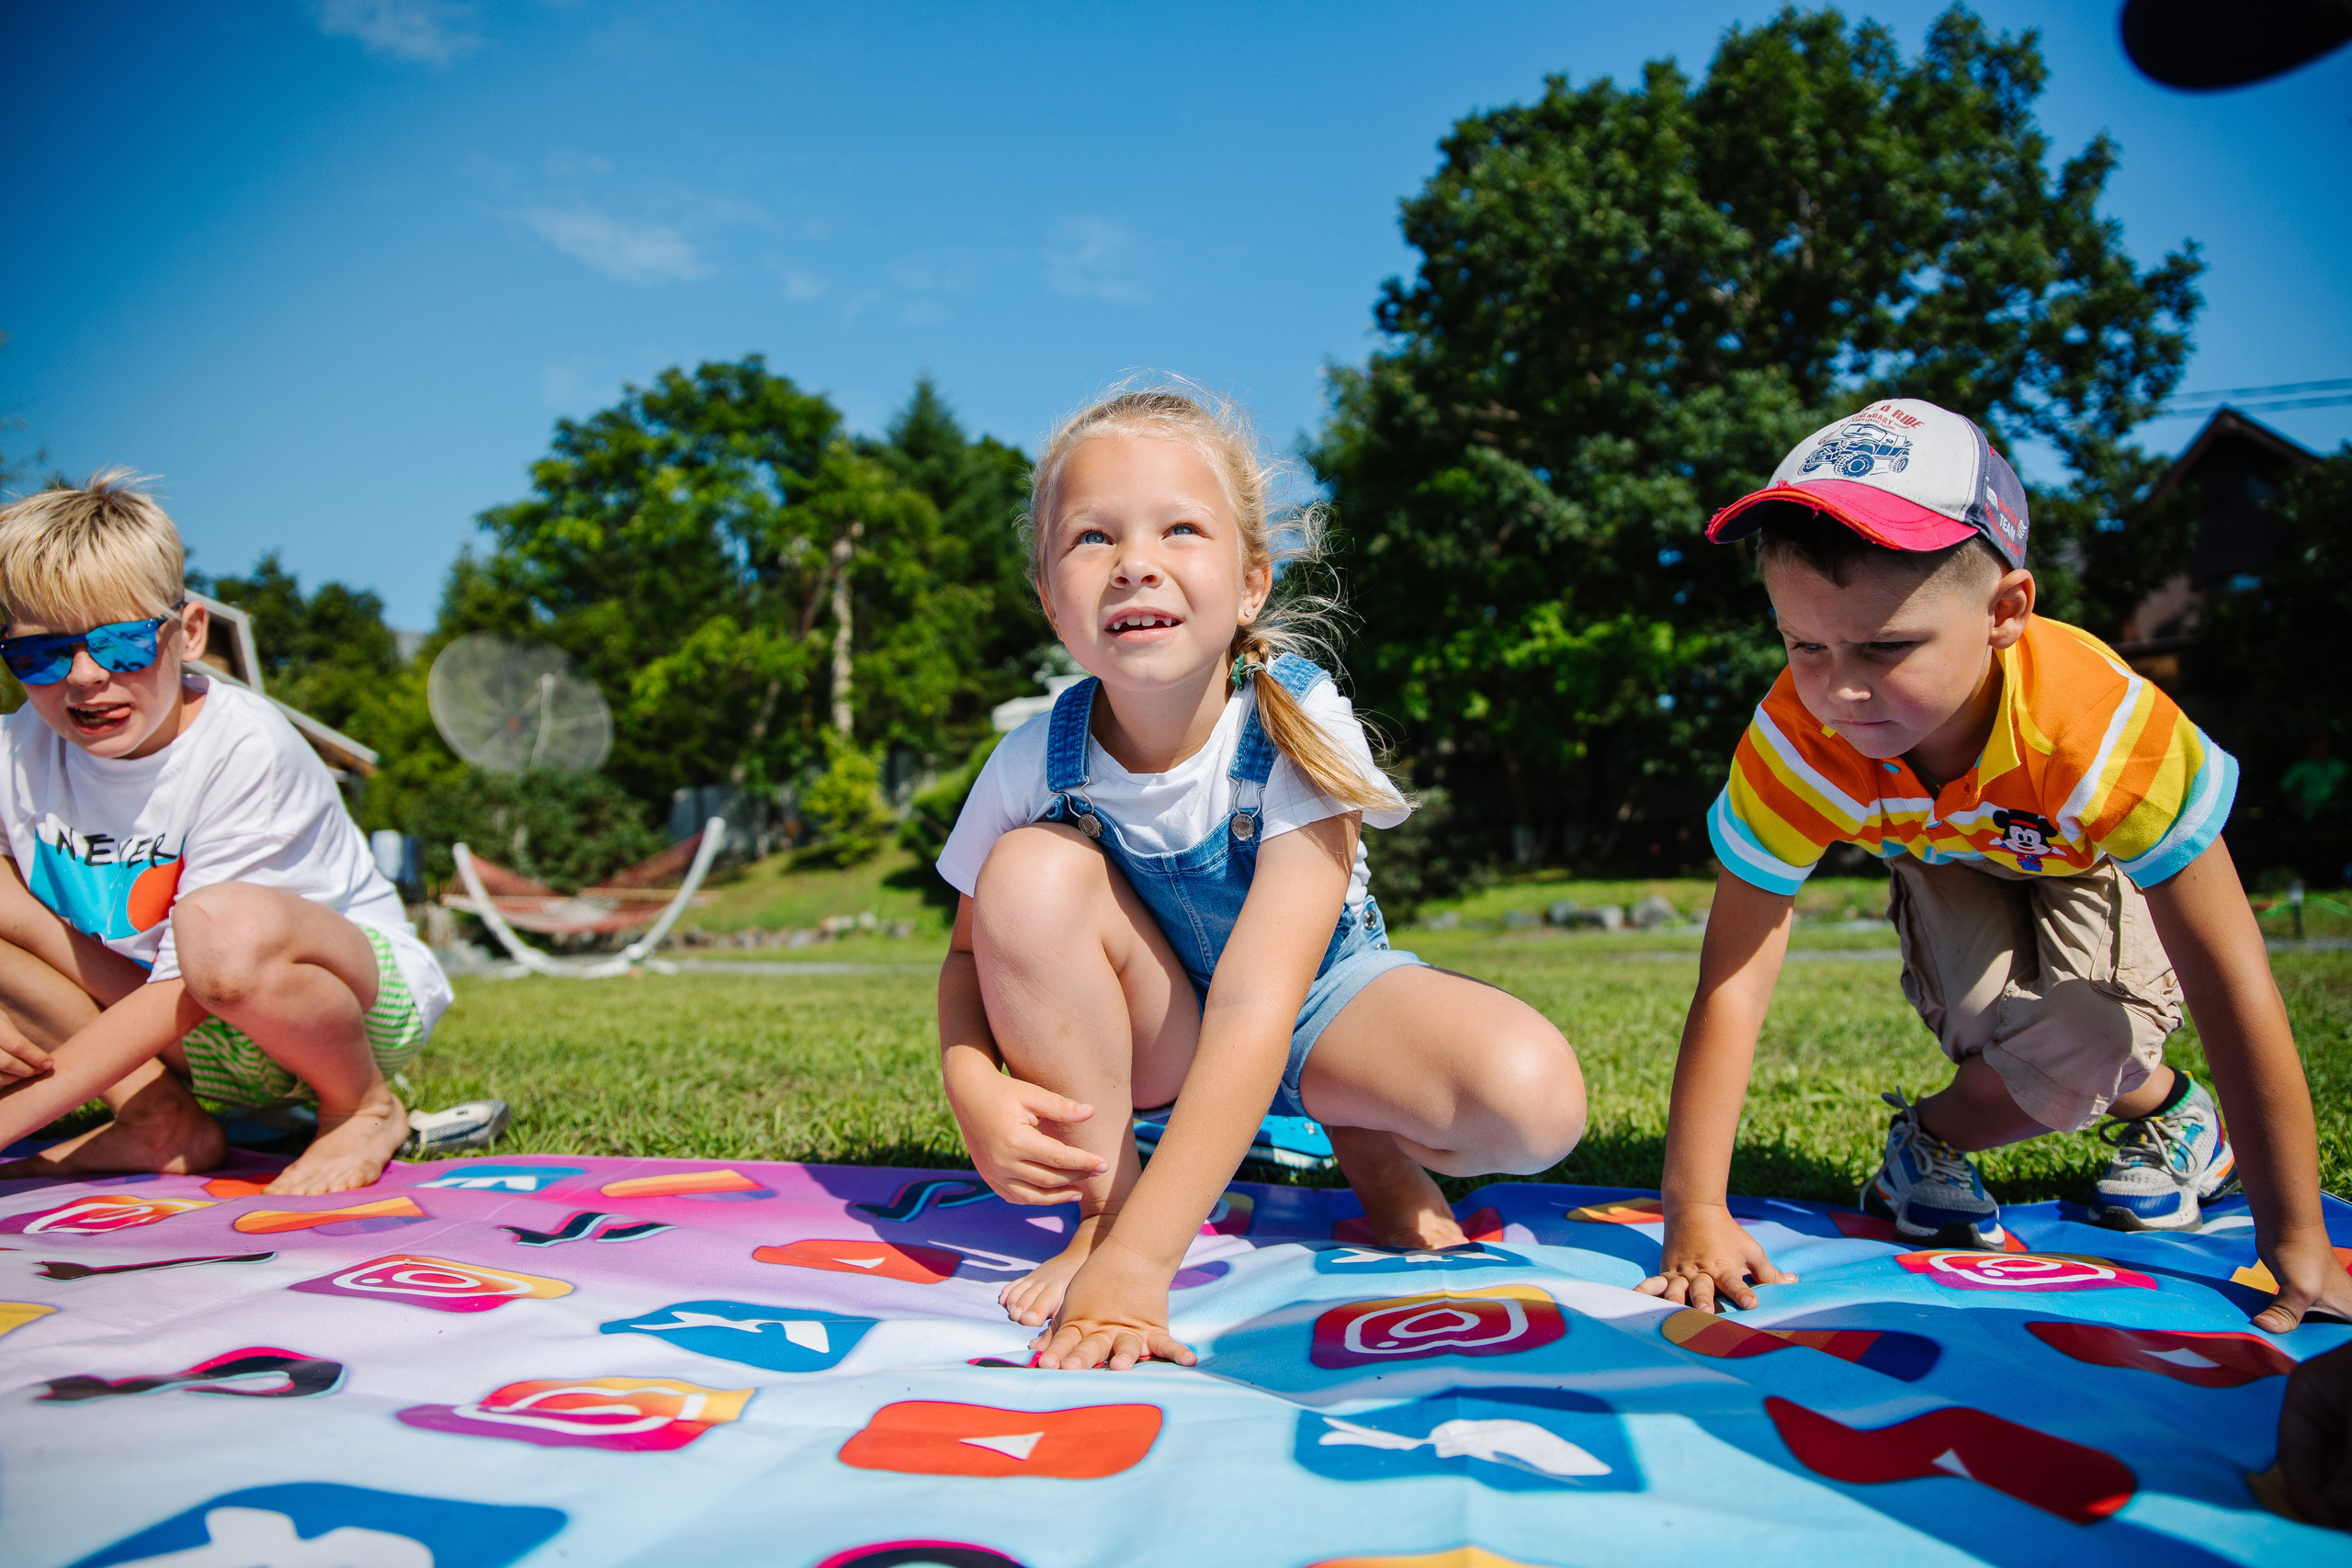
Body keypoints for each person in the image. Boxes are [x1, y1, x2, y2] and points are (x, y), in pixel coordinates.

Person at [1636, 399, 2352, 1334]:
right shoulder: (1798, 739)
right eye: (1801, 643)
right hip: (1946, 862)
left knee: (2092, 1039)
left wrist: (2293, 1234)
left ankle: (1969, 1134)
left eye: (1885, 647)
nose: (1838, 689)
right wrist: (1695, 1212)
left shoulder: (2100, 730)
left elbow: (2230, 973)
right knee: (2036, 1037)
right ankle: (2146, 1109)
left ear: (2006, 611)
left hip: (2086, 864)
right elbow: (1733, 976)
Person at [934, 385, 1585, 1371]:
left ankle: (1357, 1128)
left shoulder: (1294, 724)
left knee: (1532, 1100)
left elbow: (1256, 1007)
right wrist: (969, 1082)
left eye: (1179, 529)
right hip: (1161, 1032)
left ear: (1250, 584)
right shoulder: (1035, 759)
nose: (1134, 564)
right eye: (1092, 539)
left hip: (1318, 1008)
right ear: (1047, 596)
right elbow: (967, 956)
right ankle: (1105, 1209)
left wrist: (1147, 1271)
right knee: (1024, 874)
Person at [0, 472, 452, 1195]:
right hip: (177, 1021)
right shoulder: (15, 750)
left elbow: (207, 970)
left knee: (220, 928)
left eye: (119, 645)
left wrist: (17, 1114)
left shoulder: (244, 743)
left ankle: (361, 1106)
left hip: (333, 1012)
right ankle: (158, 1120)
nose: (83, 678)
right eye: (39, 656)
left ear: (189, 633)